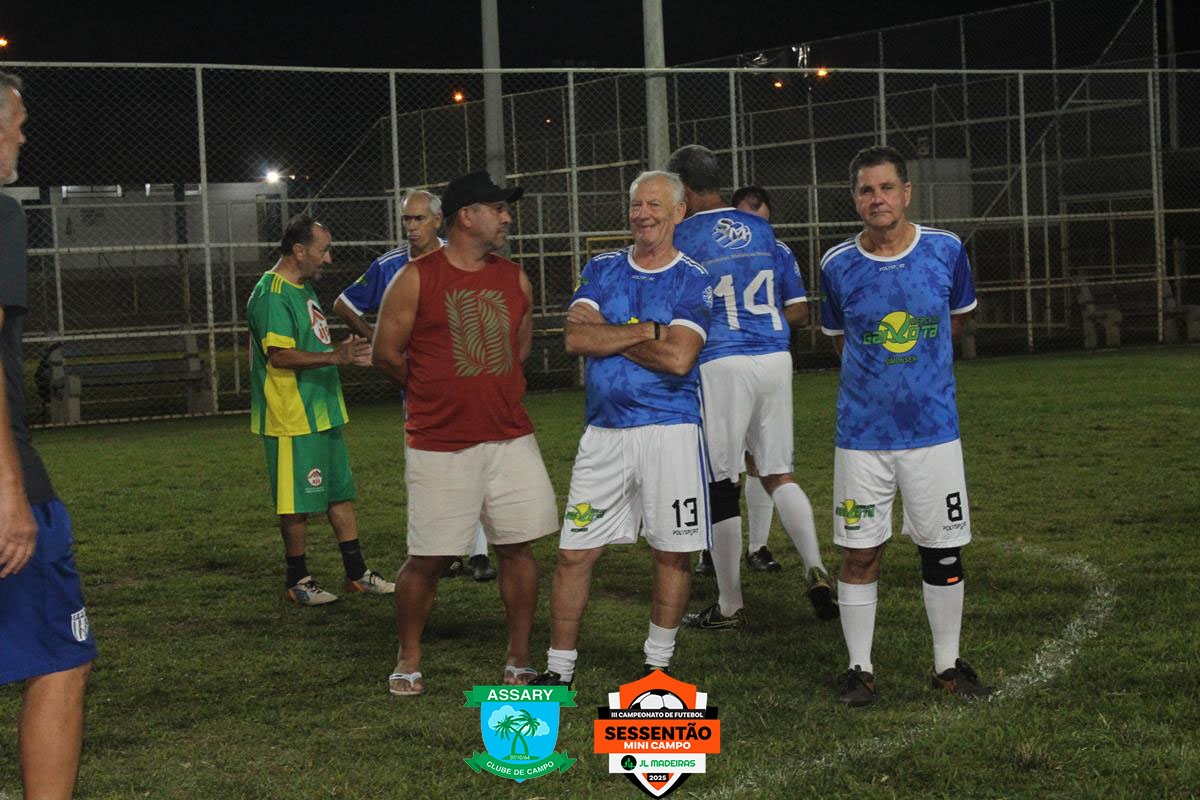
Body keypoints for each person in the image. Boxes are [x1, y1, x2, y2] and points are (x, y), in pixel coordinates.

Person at [372, 170, 558, 696]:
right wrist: (433, 393)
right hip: (440, 441)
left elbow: (519, 348)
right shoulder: (415, 278)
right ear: (467, 217)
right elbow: (386, 353)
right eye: (498, 209)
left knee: (518, 547)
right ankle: (409, 655)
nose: (507, 218)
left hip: (509, 436)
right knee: (429, 557)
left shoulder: (515, 277)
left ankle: (519, 655)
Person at [820, 145, 991, 706]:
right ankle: (859, 669)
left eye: (887, 188)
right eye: (867, 190)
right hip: (862, 437)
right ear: (855, 199)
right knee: (859, 552)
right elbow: (843, 341)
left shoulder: (946, 250)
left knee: (942, 550)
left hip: (934, 431)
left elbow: (956, 321)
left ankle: (947, 666)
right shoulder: (836, 265)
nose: (878, 199)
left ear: (907, 192)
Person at [531, 171, 712, 688]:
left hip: (671, 432)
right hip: (604, 433)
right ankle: (558, 671)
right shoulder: (602, 267)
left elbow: (679, 359)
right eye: (636, 205)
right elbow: (574, 339)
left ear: (678, 212)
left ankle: (657, 668)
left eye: (654, 205)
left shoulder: (693, 278)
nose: (643, 215)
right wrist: (646, 330)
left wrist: (609, 335)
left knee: (672, 552)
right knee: (574, 552)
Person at [666, 145, 837, 630]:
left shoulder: (683, 235)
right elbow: (791, 301)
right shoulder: (761, 229)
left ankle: (729, 604)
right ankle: (815, 568)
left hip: (722, 359)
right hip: (774, 356)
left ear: (683, 187)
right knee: (778, 471)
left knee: (722, 483)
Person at [0, 70, 95, 800]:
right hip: (6, 480)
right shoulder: (0, 214)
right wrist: (10, 491)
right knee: (62, 657)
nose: (23, 138)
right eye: (17, 124)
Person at [332, 191, 496, 583]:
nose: (411, 226)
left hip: (466, 379)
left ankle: (479, 552)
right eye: (407, 219)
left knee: (473, 461)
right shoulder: (391, 265)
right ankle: (445, 552)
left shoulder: (460, 257)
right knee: (428, 470)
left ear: (438, 220)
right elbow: (344, 304)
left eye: (419, 218)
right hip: (418, 385)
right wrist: (378, 340)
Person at [246, 213, 395, 606]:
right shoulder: (271, 294)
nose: (328, 259)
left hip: (323, 410)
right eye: (323, 251)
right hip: (292, 416)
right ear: (299, 251)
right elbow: (280, 356)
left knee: (339, 494)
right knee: (296, 502)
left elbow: (312, 346)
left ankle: (357, 574)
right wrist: (335, 357)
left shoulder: (302, 287)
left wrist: (344, 355)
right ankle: (298, 580)